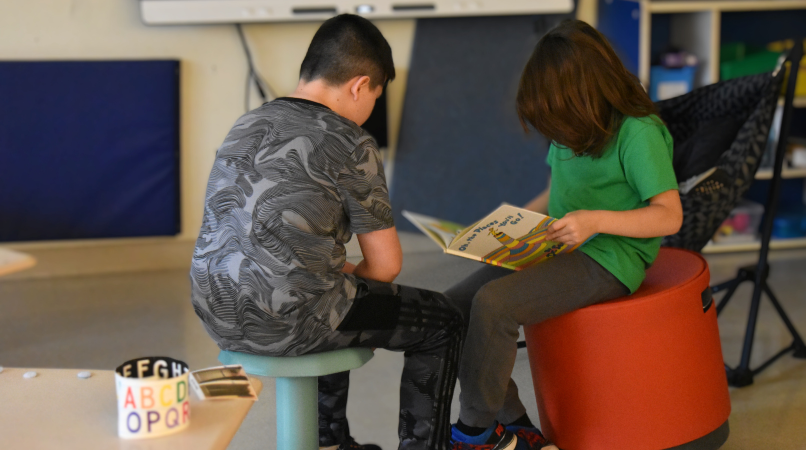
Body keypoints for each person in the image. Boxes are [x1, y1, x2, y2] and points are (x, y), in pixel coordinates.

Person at [189, 14, 464, 450]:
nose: (370, 109)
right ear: (358, 85)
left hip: (214, 309)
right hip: (291, 318)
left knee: (333, 288)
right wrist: (346, 275)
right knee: (443, 319)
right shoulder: (350, 141)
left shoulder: (246, 125)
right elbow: (387, 265)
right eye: (375, 95)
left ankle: (328, 441)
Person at [445, 20, 683, 450]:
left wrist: (595, 221)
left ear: (586, 98)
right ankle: (514, 424)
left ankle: (474, 431)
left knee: (496, 304)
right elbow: (559, 191)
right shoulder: (573, 128)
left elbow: (669, 216)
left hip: (609, 258)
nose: (555, 133)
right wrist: (499, 226)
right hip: (558, 245)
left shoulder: (638, 133)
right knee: (454, 306)